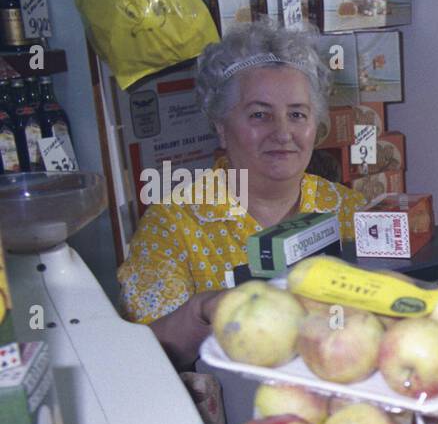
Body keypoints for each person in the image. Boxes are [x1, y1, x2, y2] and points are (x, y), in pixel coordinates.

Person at [117, 22, 364, 369]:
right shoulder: (173, 226)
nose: (282, 133)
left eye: (297, 114)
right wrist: (201, 311)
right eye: (259, 115)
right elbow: (141, 358)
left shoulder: (348, 210)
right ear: (220, 125)